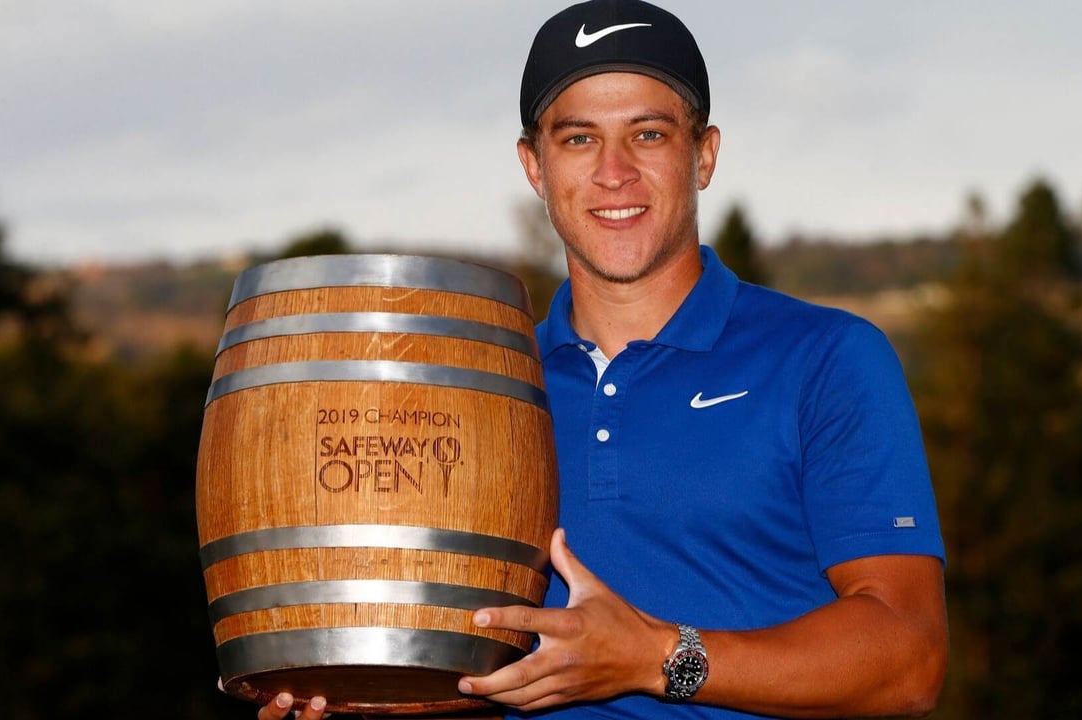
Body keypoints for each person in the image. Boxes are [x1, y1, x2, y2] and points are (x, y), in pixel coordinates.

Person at [259, 1, 947, 718]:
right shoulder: (483, 388)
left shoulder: (826, 358)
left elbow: (909, 659)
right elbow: (479, 670)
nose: (614, 172)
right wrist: (364, 698)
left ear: (703, 154)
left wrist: (654, 659)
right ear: (534, 165)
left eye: (648, 134)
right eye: (579, 138)